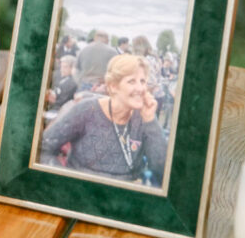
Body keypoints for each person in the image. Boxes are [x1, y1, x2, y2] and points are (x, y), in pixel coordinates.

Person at [40, 55, 168, 184]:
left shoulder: (144, 117)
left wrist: (150, 120)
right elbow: (43, 148)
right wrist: (63, 182)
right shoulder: (87, 110)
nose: (140, 88)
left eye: (142, 81)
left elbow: (162, 170)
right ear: (113, 87)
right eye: (131, 81)